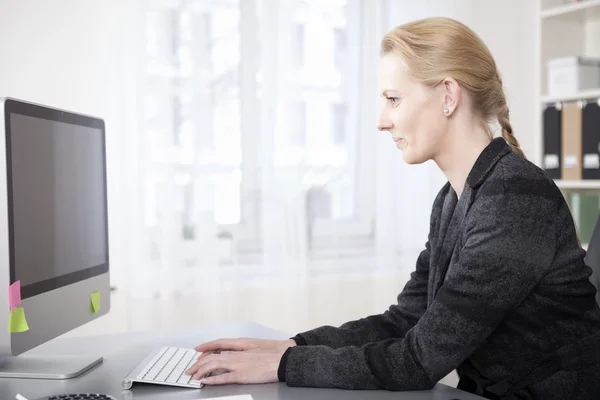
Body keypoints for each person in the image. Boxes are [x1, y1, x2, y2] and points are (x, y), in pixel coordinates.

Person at [186, 17, 600, 400]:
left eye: (393, 99)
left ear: (448, 96)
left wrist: (282, 364)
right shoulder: (453, 201)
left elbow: (417, 361)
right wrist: (294, 345)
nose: (382, 121)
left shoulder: (513, 199)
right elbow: (406, 322)